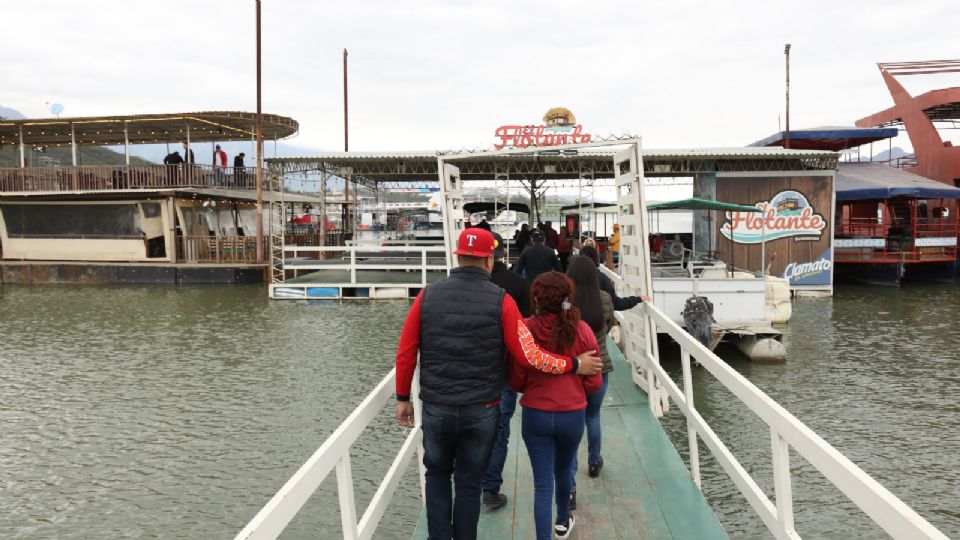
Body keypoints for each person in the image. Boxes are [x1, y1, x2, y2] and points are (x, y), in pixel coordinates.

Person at [394, 228, 603, 540]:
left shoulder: (427, 295)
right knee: (468, 482)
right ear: (489, 260)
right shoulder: (501, 302)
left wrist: (402, 397)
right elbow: (529, 355)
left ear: (458, 256)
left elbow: (406, 351)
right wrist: (574, 364)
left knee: (436, 475)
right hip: (483, 407)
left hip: (438, 404)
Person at [508, 271, 603, 540]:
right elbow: (594, 382)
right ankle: (562, 522)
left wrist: (532, 387)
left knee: (542, 484)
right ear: (567, 297)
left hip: (536, 413)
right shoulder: (582, 330)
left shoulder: (525, 329)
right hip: (571, 414)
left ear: (537, 298)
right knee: (563, 472)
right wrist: (576, 385)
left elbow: (515, 378)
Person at [481, 233, 531, 509]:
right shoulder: (518, 284)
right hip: (505, 368)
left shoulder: (466, 287)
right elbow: (527, 328)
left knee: (472, 428)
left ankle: (469, 482)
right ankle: (490, 489)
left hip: (471, 370)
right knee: (499, 429)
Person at [565, 255, 616, 509]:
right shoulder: (604, 300)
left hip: (573, 369)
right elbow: (608, 326)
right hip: (599, 366)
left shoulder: (565, 304)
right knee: (593, 417)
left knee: (572, 422)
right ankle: (594, 462)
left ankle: (570, 484)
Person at [579, 245, 645, 311]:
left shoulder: (571, 276)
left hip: (577, 319)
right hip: (596, 318)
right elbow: (616, 304)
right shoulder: (602, 278)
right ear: (596, 258)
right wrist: (637, 299)